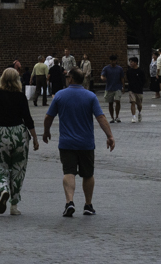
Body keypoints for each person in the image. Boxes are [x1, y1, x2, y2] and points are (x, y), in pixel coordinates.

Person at [43, 67, 114, 219]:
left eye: (68, 76)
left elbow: (48, 117)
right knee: (88, 174)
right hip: (86, 143)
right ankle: (88, 205)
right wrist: (110, 136)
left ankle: (69, 202)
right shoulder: (90, 96)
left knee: (69, 172)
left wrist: (46, 131)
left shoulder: (60, 96)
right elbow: (100, 117)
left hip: (66, 142)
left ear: (72, 79)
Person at [0, 66, 37, 215]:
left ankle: (3, 189)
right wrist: (35, 138)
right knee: (18, 169)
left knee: (0, 167)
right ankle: (14, 205)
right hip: (19, 133)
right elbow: (28, 119)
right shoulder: (20, 97)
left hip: (0, 133)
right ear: (17, 80)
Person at [102, 56, 125, 123]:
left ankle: (117, 116)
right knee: (110, 103)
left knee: (117, 101)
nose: (113, 62)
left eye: (114, 60)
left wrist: (123, 86)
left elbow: (122, 78)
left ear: (116, 61)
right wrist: (102, 77)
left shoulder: (119, 69)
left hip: (117, 87)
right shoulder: (106, 68)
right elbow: (102, 75)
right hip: (109, 87)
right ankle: (112, 117)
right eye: (111, 60)